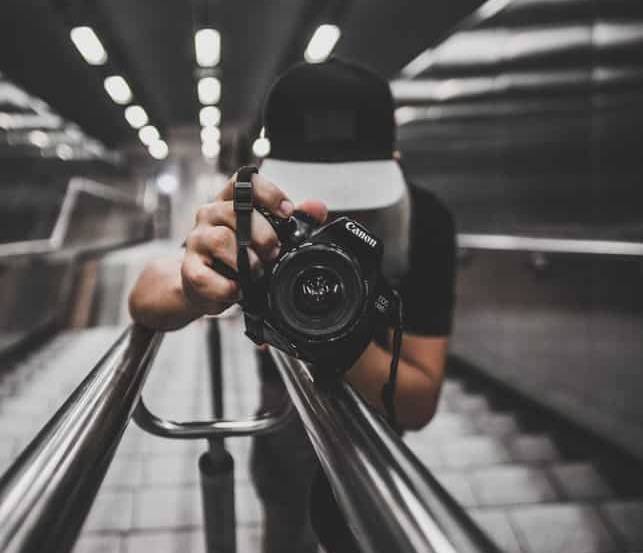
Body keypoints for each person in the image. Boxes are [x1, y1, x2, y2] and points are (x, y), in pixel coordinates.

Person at [129, 58, 455, 553]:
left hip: (376, 435)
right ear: (270, 171)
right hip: (284, 423)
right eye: (311, 197)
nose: (334, 213)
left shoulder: (424, 222)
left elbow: (418, 400)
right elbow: (144, 296)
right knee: (283, 524)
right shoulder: (264, 213)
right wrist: (197, 283)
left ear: (395, 157)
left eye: (358, 196)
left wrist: (325, 340)